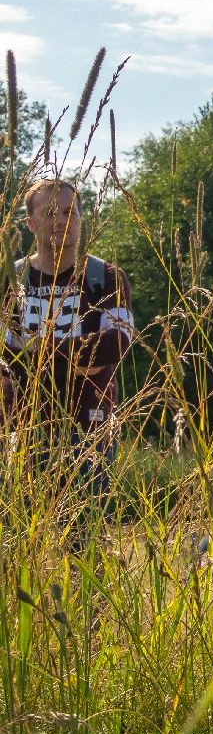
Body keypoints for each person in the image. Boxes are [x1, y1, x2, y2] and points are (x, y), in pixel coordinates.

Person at [2, 178, 134, 501]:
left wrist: (38, 349)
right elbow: (8, 358)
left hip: (90, 435)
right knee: (22, 542)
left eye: (68, 211)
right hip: (24, 433)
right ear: (31, 224)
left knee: (82, 544)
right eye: (49, 213)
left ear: (80, 218)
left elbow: (115, 343)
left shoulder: (106, 278)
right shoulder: (11, 281)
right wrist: (78, 355)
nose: (61, 221)